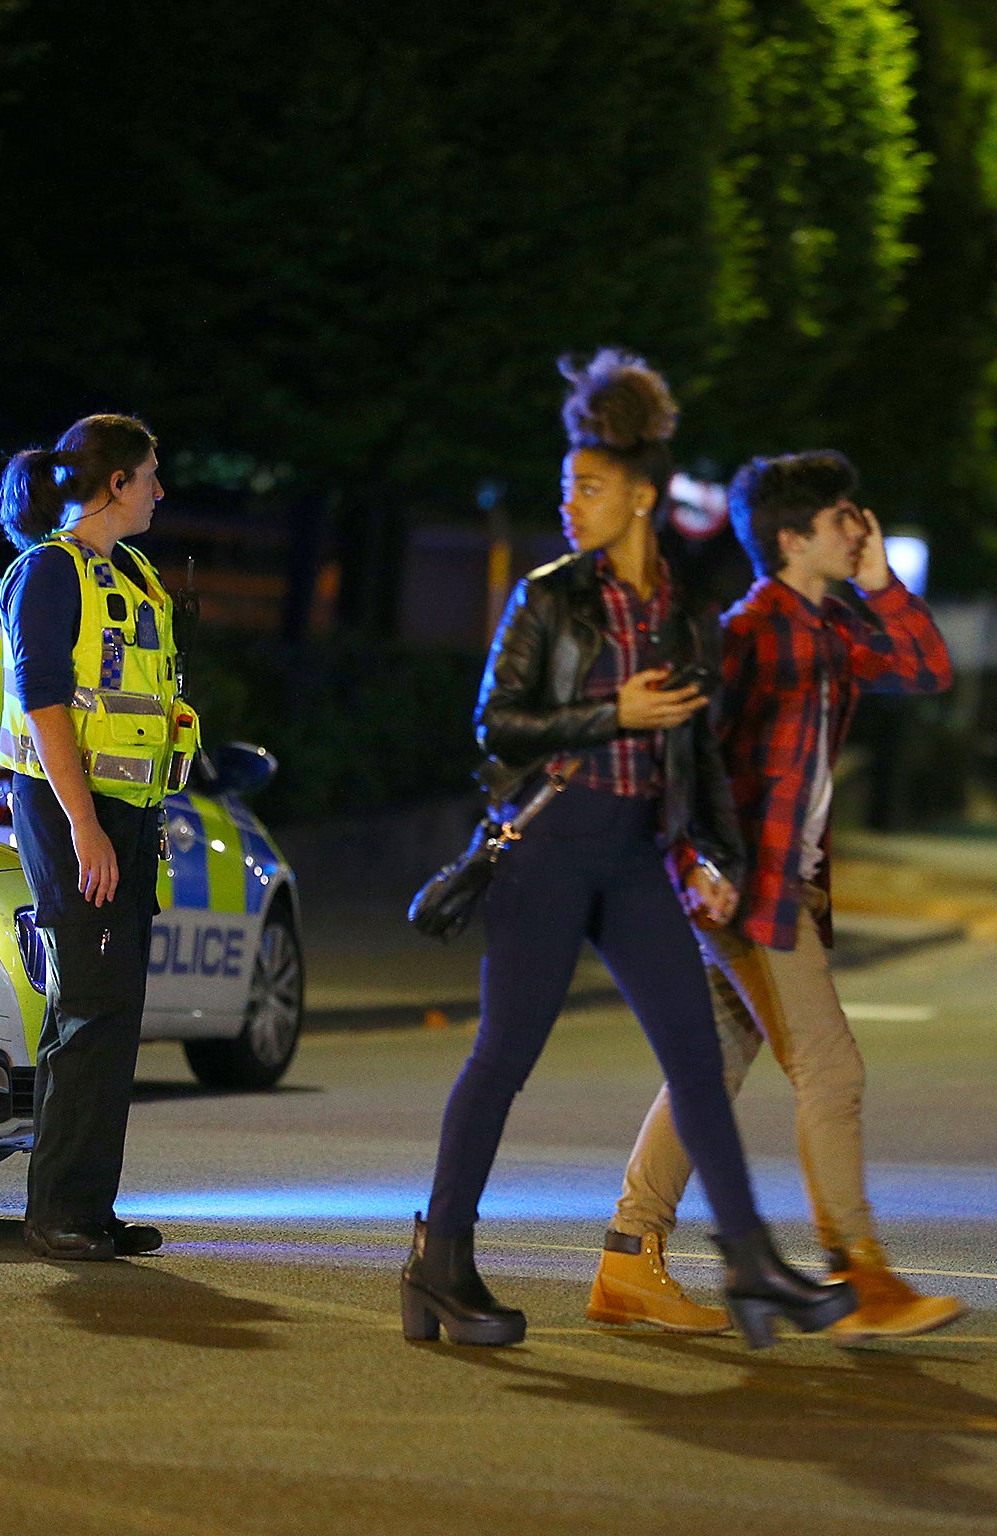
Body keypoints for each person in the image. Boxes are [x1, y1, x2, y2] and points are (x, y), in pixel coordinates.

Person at [404, 351, 855, 1348]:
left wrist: (717, 858)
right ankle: (440, 1264)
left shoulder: (680, 618)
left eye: (592, 487)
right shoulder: (550, 597)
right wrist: (609, 710)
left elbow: (693, 755)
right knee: (502, 1057)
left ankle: (748, 1264)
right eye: (568, 484)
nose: (572, 503)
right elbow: (497, 725)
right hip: (549, 851)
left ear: (642, 495)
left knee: (697, 1062)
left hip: (637, 860)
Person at [586, 450, 965, 1342]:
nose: (860, 526)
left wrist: (878, 580)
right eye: (844, 518)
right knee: (832, 1072)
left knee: (710, 1068)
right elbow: (683, 762)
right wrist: (694, 869)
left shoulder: (826, 625)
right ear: (794, 537)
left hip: (776, 886)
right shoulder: (755, 630)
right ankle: (859, 1276)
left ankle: (626, 1258)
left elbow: (926, 670)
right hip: (747, 891)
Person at [0, 413, 194, 1261]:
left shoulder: (132, 571)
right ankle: (60, 1213)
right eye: (151, 472)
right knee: (86, 1010)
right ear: (116, 483)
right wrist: (85, 828)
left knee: (109, 1014)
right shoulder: (48, 572)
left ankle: (88, 1206)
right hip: (72, 814)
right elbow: (43, 706)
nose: (160, 488)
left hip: (124, 816)